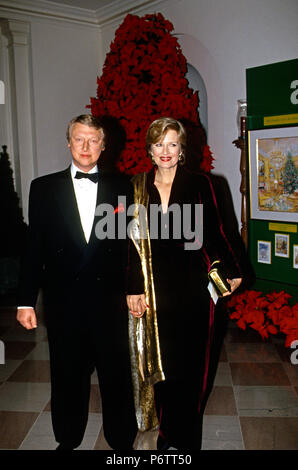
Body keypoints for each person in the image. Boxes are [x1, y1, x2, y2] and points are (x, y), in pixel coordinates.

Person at [17, 114, 138, 450]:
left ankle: (121, 440)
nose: (86, 147)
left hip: (108, 302)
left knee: (116, 376)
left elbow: (129, 246)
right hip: (63, 302)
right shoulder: (42, 188)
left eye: (93, 140)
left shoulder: (121, 187)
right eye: (79, 139)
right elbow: (34, 247)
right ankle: (67, 440)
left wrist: (134, 289)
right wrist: (26, 300)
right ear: (68, 142)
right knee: (67, 375)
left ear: (103, 145)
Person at [126, 117, 245, 450]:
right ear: (150, 149)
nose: (166, 151)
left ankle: (187, 437)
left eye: (173, 144)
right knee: (161, 365)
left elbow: (222, 231)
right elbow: (127, 243)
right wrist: (133, 287)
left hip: (195, 289)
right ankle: (165, 433)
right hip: (153, 291)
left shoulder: (204, 184)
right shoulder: (135, 185)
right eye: (159, 144)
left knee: (194, 368)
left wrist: (234, 270)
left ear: (182, 149)